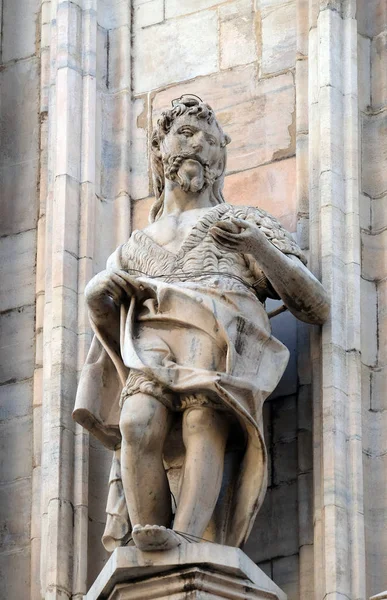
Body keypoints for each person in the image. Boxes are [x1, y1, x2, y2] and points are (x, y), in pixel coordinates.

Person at [74, 94, 329, 552]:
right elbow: (110, 329)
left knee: (200, 418)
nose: (196, 146)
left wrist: (260, 248)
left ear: (220, 156)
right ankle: (150, 536)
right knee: (136, 422)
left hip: (217, 346)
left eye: (209, 140)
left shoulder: (241, 220)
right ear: (160, 148)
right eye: (185, 134)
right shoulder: (134, 246)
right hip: (152, 350)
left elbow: (314, 304)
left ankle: (188, 539)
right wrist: (97, 296)